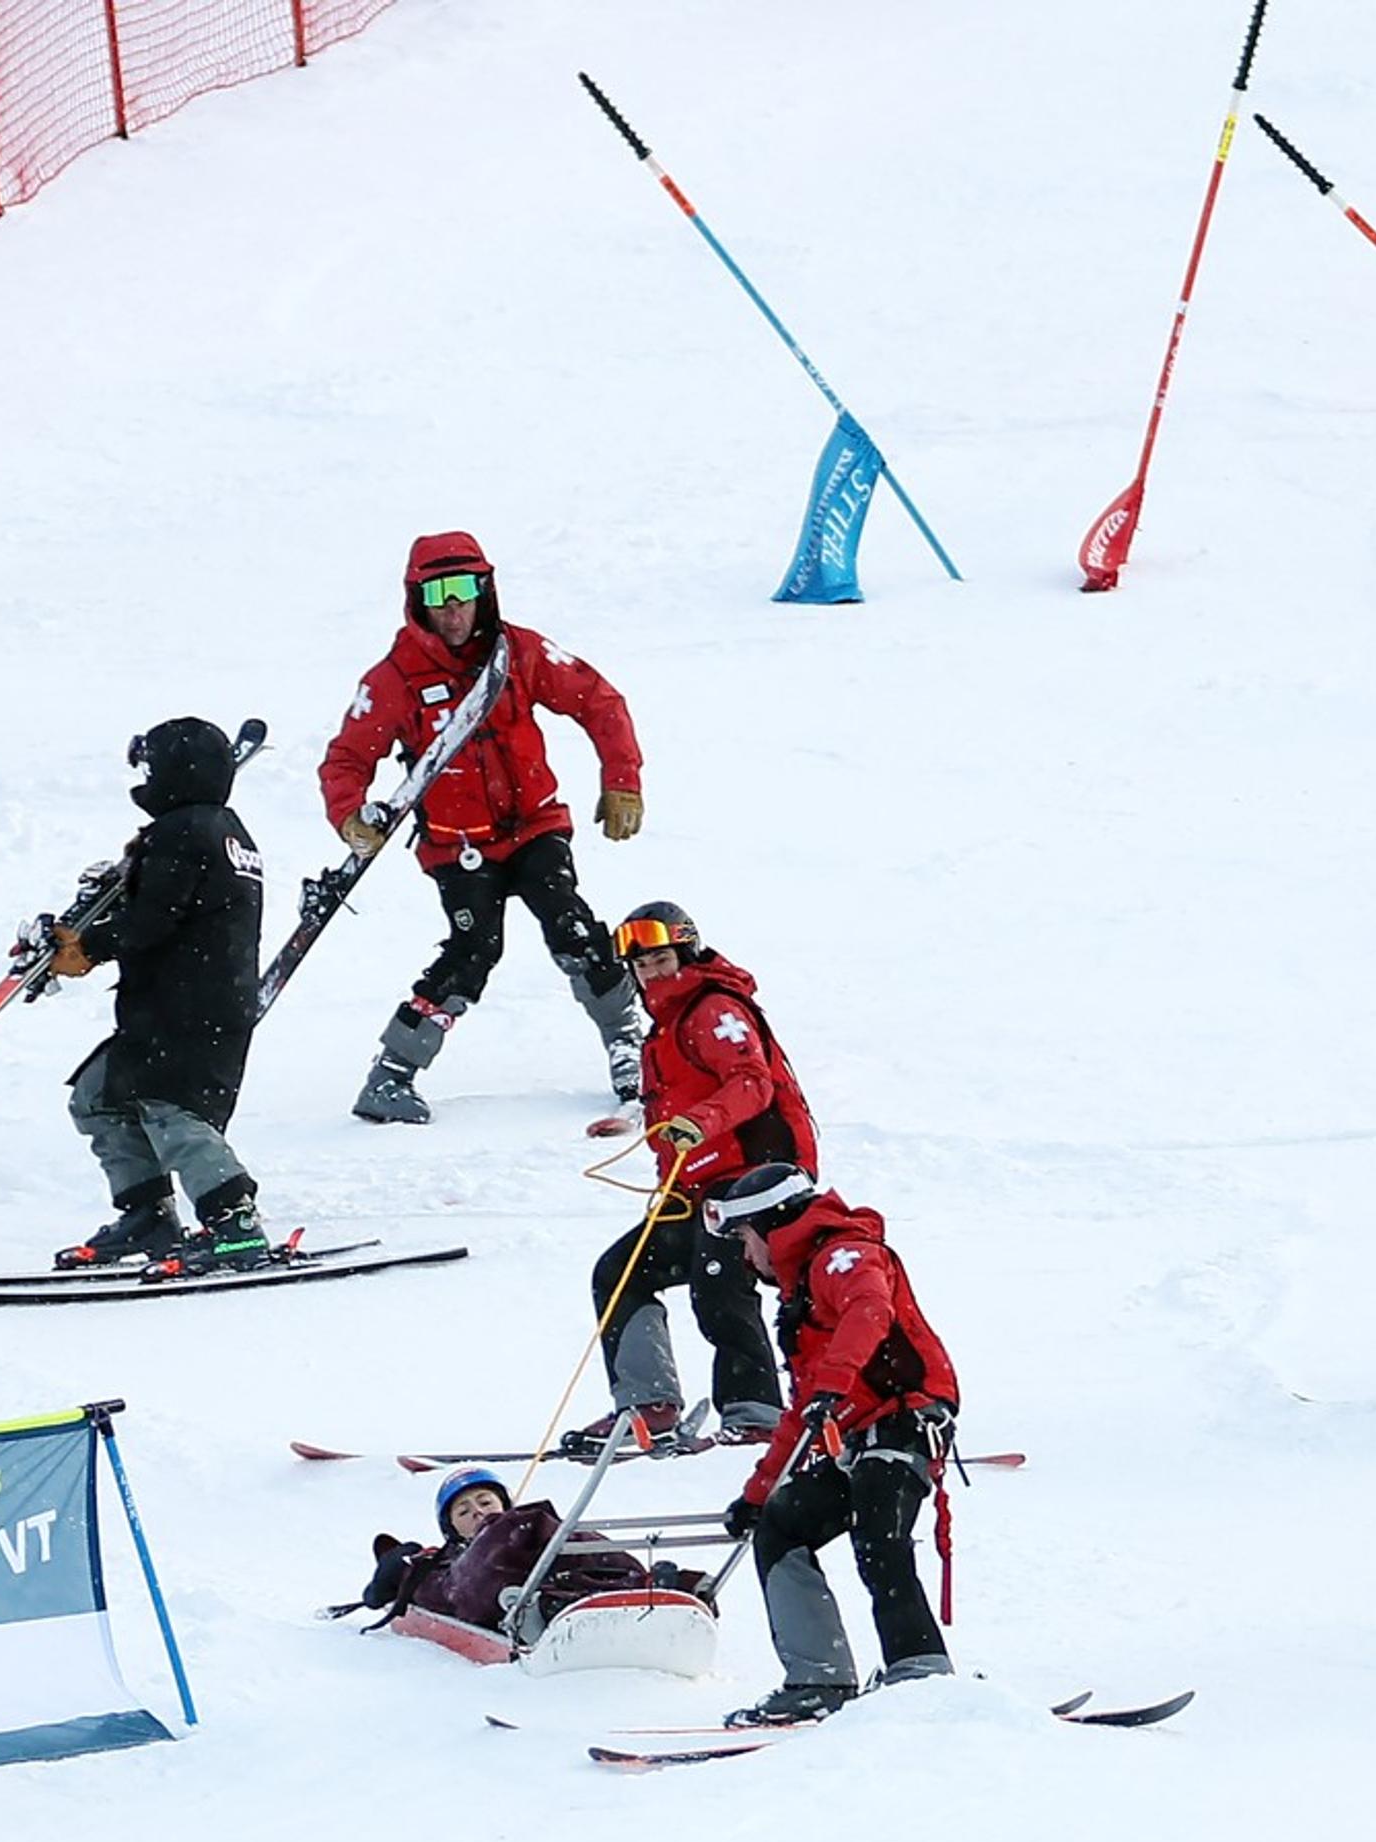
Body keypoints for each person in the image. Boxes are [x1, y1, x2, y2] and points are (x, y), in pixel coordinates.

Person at [318, 531, 647, 1125]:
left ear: (485, 590)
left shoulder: (518, 652)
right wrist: (349, 816)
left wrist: (621, 779)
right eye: (438, 591)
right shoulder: (394, 679)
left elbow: (599, 701)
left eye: (466, 588)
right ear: (416, 598)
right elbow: (346, 760)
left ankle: (630, 1047)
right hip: (456, 845)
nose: (453, 605)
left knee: (572, 926)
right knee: (473, 951)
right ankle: (391, 1074)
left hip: (536, 826)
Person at [706, 1163, 961, 1726]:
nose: (747, 1259)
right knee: (781, 1524)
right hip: (856, 1433)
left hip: (905, 1418)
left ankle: (920, 1677)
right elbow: (802, 1410)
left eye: (747, 1240)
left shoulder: (844, 1255)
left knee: (879, 1533)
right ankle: (818, 1680)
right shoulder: (800, 1295)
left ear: (772, 1225)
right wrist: (757, 1493)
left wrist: (833, 1386)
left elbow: (870, 1311)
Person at [565, 901, 811, 1453]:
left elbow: (751, 1083)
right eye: (642, 965)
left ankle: (757, 1414)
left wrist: (697, 1126)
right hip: (698, 1187)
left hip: (755, 1178)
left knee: (717, 1278)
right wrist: (635, 1123)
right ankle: (648, 1407)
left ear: (685, 950)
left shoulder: (713, 1009)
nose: (651, 973)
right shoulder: (665, 1026)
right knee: (621, 1271)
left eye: (659, 959)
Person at [49, 718, 266, 1271]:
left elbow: (153, 920)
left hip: (190, 1009)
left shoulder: (184, 832)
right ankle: (148, 1215)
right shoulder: (218, 828)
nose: (143, 779)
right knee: (100, 1098)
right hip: (176, 1006)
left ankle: (235, 1225)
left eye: (149, 767)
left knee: (175, 1111)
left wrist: (87, 947)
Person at [345, 1465, 711, 1641]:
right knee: (531, 1529)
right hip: (486, 1593)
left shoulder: (521, 1528)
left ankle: (651, 1587)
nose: (477, 1511)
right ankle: (544, 1609)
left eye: (485, 1501)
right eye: (463, 1511)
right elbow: (401, 1592)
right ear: (451, 1528)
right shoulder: (448, 1560)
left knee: (568, 1537)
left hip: (548, 1574)